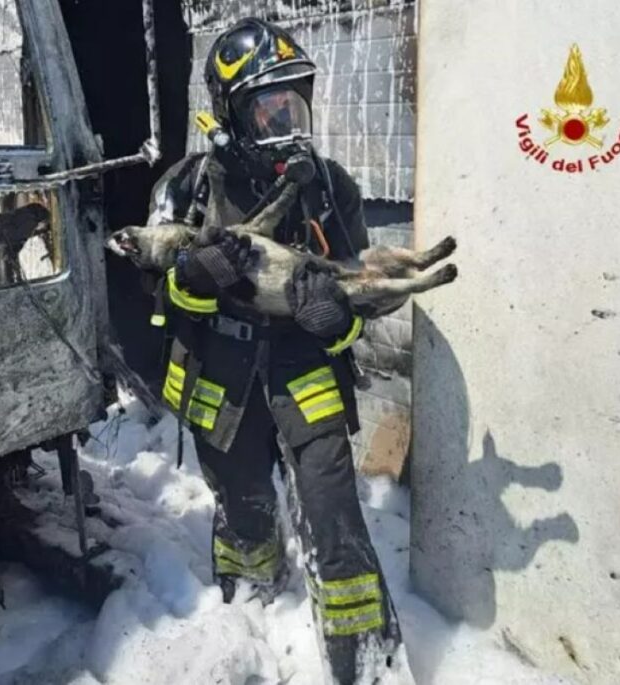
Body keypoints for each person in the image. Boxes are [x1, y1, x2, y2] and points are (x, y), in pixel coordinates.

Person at [141, 17, 402, 685]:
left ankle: (364, 657)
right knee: (245, 504)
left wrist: (329, 317)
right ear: (230, 115)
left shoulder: (330, 189)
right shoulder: (184, 189)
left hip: (302, 370)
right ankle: (254, 609)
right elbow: (158, 305)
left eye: (295, 102)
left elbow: (361, 301)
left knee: (332, 507)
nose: (287, 121)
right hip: (219, 378)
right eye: (268, 107)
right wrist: (193, 282)